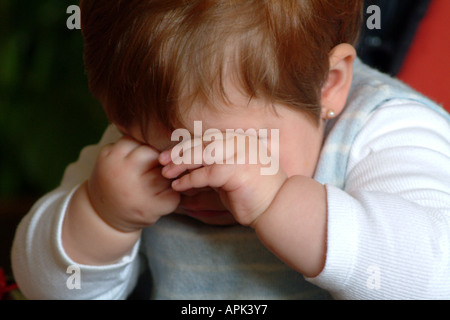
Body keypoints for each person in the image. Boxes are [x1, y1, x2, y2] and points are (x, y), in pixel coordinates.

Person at [12, 0, 450, 299]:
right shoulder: (135, 144)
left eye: (232, 150)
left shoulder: (383, 130)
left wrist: (279, 203)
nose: (196, 181)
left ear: (328, 85)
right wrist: (100, 217)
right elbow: (46, 287)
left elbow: (435, 278)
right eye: (162, 151)